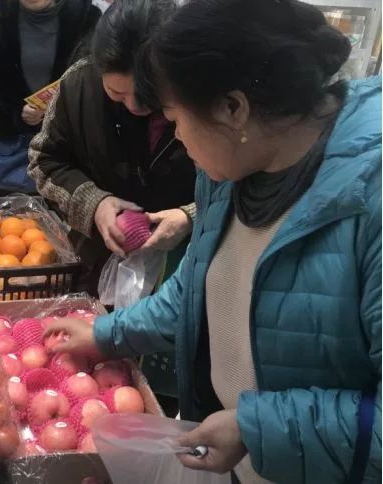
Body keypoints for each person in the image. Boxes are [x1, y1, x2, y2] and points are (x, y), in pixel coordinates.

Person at [43, 1, 381, 483]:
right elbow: (198, 289)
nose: (175, 138)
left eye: (175, 118)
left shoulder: (369, 201)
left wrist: (255, 427)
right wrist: (106, 334)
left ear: (232, 108)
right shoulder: (232, 172)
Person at [28, 0, 196, 289]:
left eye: (149, 94)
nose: (134, 106)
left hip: (183, 270)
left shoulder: (199, 98)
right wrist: (95, 204)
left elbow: (238, 184)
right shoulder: (78, 86)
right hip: (95, 264)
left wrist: (190, 215)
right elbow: (45, 160)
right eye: (116, 92)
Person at [0, 0, 101, 197]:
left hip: (63, 156)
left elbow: (96, 83)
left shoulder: (87, 20)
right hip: (4, 156)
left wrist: (61, 110)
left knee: (54, 225)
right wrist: (15, 113)